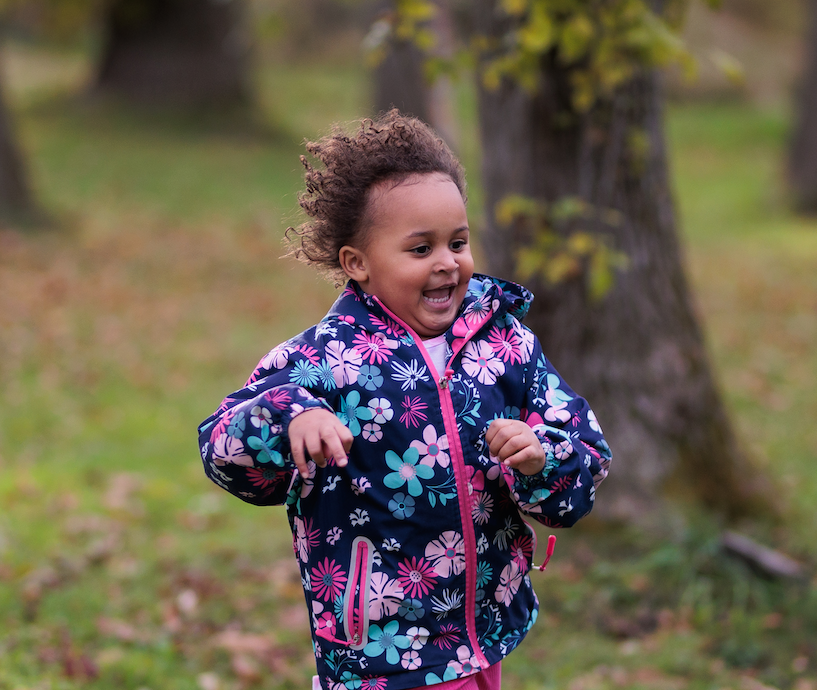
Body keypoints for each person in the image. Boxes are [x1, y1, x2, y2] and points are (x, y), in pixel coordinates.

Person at [198, 110, 612, 690]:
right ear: (357, 263)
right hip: (378, 651)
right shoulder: (323, 362)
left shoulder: (507, 346)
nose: (447, 262)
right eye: (420, 249)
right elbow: (222, 448)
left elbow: (584, 465)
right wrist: (292, 417)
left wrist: (540, 457)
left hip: (480, 631)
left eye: (458, 242)